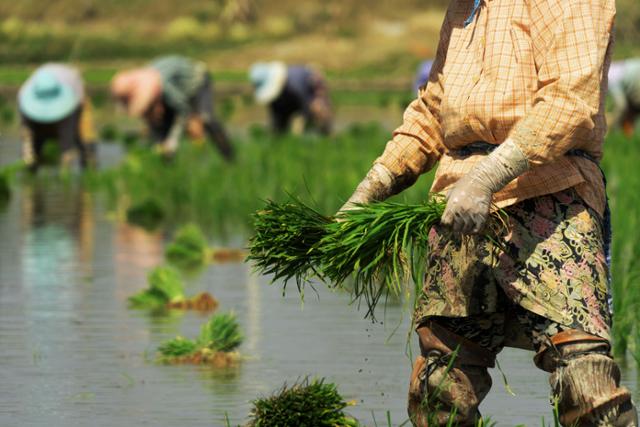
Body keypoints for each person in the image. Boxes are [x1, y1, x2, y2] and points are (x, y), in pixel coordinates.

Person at [341, 1, 638, 425]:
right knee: (439, 385)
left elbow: (569, 102)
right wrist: (370, 189)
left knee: (583, 379)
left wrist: (486, 178)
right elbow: (432, 110)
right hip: (458, 206)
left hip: (550, 194)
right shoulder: (464, 7)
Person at [111, 55, 234, 161]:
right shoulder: (145, 86)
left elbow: (184, 111)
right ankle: (165, 168)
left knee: (206, 119)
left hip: (197, 83)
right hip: (174, 94)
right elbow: (152, 117)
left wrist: (173, 141)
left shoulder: (165, 87)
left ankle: (230, 158)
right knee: (161, 126)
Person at [18, 64, 97, 171]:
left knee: (86, 143)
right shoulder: (25, 95)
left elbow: (67, 135)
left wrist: (66, 162)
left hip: (76, 101)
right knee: (32, 151)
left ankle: (89, 169)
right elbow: (26, 136)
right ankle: (32, 172)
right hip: (39, 96)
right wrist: (28, 157)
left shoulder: (73, 98)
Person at [249, 62, 332, 135]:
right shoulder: (275, 98)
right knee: (279, 128)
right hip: (290, 100)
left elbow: (306, 105)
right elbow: (275, 114)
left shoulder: (295, 84)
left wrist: (301, 123)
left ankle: (326, 136)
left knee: (318, 109)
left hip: (310, 96)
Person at [608, 59, 640, 137]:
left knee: (630, 109)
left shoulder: (610, 77)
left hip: (637, 77)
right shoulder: (614, 68)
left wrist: (611, 126)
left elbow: (621, 106)